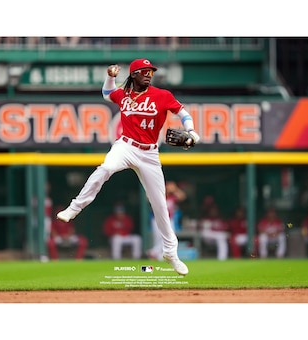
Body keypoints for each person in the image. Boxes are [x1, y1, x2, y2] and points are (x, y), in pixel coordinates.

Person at [56, 58, 200, 275]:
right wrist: (111, 76)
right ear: (134, 75)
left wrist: (191, 130)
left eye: (151, 71)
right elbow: (106, 93)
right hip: (126, 146)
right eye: (144, 71)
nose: (149, 74)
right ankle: (74, 208)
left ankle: (171, 252)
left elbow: (182, 112)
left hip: (150, 153)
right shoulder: (123, 95)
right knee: (105, 168)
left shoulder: (162, 95)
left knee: (160, 204)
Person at [147, 181, 186, 260]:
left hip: (169, 220)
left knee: (170, 237)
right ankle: (156, 253)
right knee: (158, 237)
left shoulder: (172, 197)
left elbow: (182, 197)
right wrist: (165, 189)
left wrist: (175, 189)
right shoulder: (159, 195)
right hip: (157, 220)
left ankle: (154, 252)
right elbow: (148, 197)